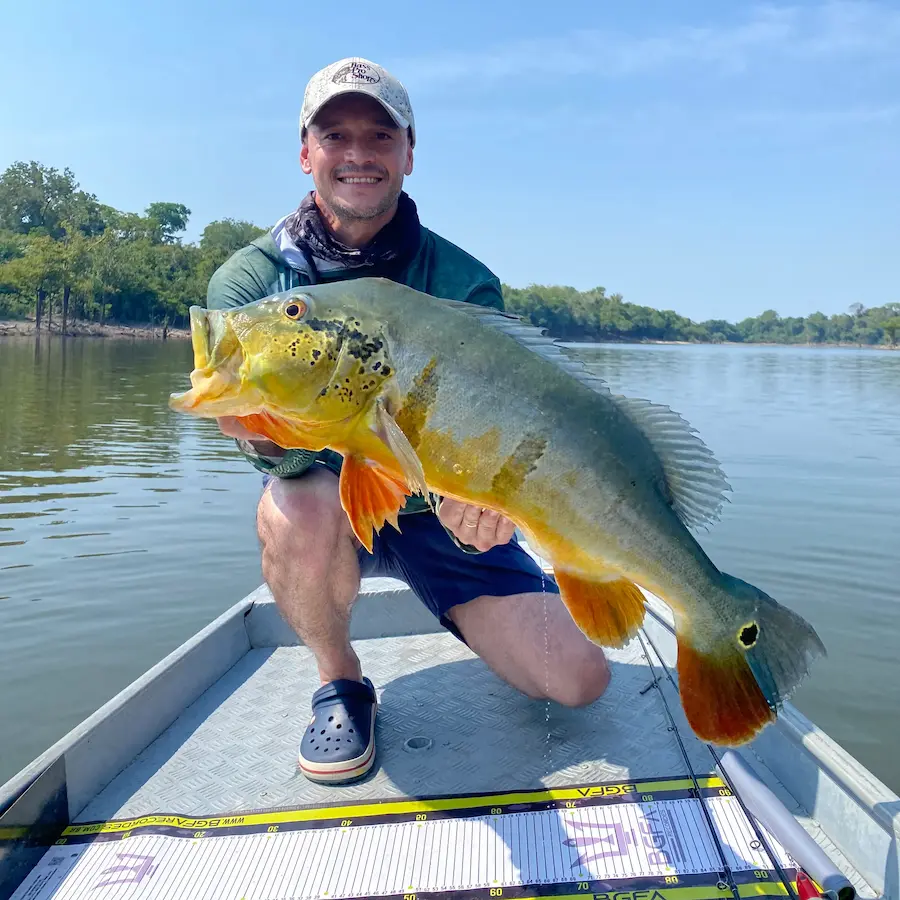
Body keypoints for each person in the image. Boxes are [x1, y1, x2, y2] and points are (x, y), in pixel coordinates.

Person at [206, 57, 611, 785]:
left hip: (440, 511)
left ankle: (462, 598)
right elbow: (272, 452)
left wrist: (489, 503)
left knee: (579, 679)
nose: (358, 154)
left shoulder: (462, 282)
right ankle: (341, 682)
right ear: (306, 152)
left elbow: (505, 432)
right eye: (336, 135)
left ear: (408, 153)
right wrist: (265, 432)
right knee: (297, 504)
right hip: (331, 502)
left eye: (380, 136)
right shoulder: (252, 285)